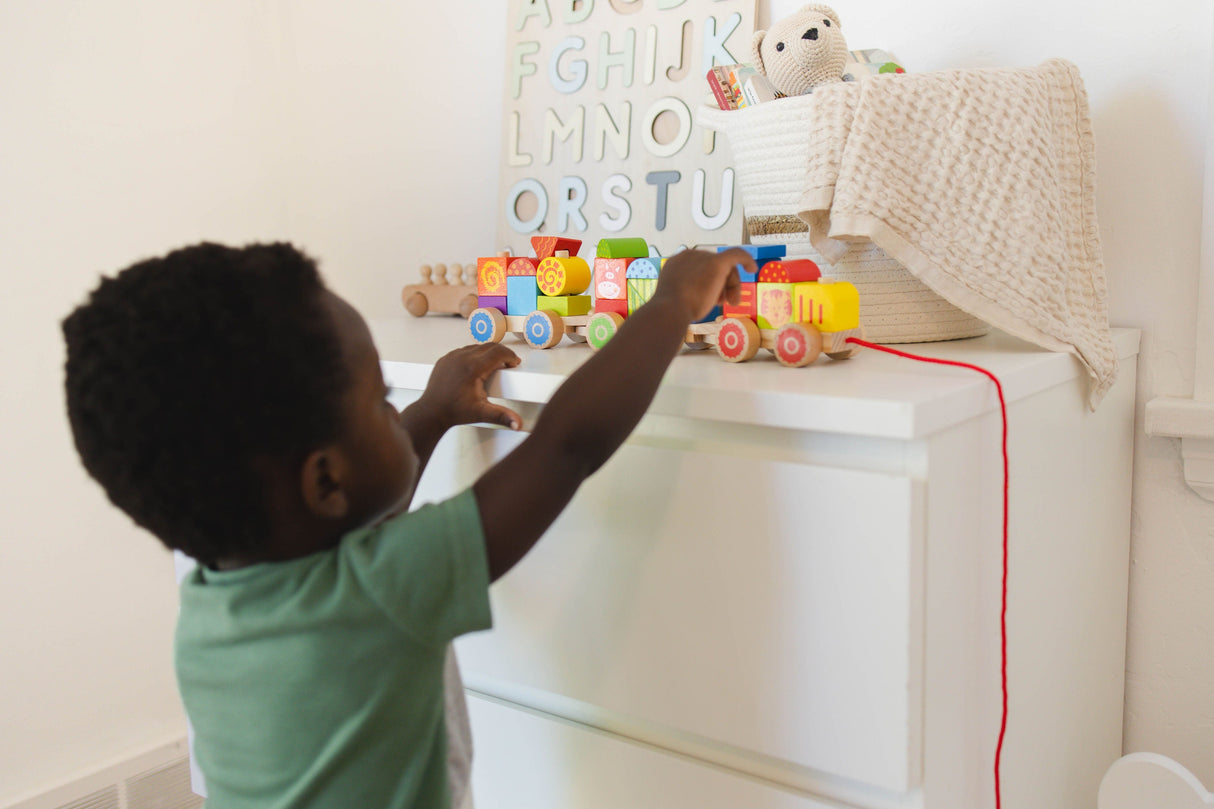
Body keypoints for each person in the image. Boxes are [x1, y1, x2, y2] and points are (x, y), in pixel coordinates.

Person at [61, 240, 754, 809]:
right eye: (379, 401)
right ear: (325, 479)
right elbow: (565, 446)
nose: (395, 410)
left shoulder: (209, 608)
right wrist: (672, 303)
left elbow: (343, 520)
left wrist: (430, 411)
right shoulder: (382, 593)